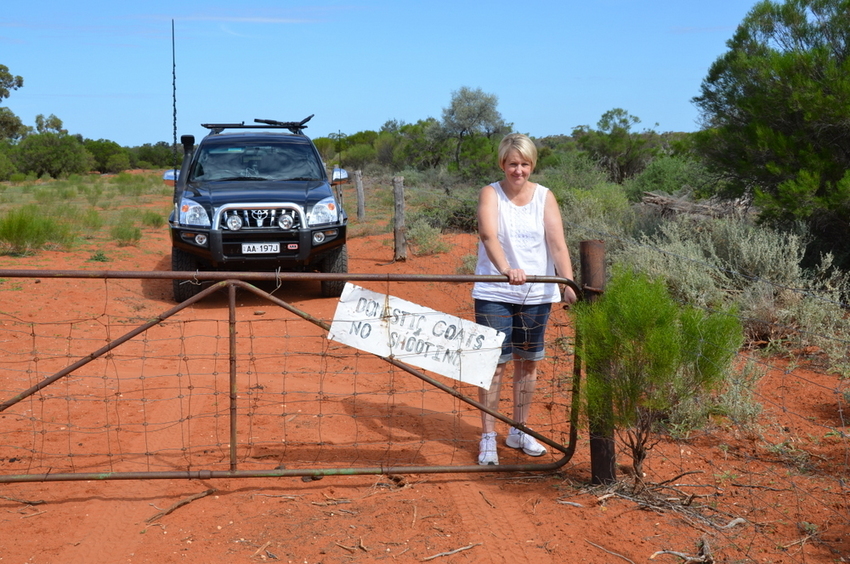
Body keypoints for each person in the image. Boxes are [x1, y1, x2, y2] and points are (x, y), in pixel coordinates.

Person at [472, 133, 577, 466]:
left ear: (532, 165)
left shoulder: (545, 197)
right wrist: (507, 269)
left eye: (525, 164)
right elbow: (488, 234)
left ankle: (519, 429)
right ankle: (488, 436)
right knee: (494, 364)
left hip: (537, 293)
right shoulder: (491, 193)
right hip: (495, 291)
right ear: (503, 163)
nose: (519, 170)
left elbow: (557, 243)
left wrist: (568, 283)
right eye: (513, 164)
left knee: (528, 363)